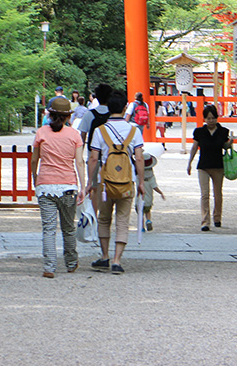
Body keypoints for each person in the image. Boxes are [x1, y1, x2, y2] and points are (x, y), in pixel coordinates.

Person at [85, 90, 146, 275]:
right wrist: (141, 181)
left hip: (105, 184)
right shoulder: (134, 130)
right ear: (125, 107)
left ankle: (104, 256)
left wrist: (89, 182)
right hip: (127, 182)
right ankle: (117, 260)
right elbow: (140, 157)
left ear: (108, 108)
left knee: (104, 219)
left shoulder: (99, 131)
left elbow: (93, 159)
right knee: (122, 220)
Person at [31, 97, 86, 278]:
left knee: (48, 228)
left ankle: (49, 266)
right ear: (67, 116)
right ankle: (71, 262)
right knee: (68, 227)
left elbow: (34, 160)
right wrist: (83, 186)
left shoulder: (41, 133)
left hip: (45, 184)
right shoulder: (74, 135)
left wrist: (35, 178)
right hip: (68, 185)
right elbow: (79, 162)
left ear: (50, 113)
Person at [186, 104, 233, 232]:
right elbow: (194, 147)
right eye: (208, 118)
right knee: (204, 194)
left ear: (217, 118)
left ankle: (217, 217)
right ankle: (205, 221)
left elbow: (225, 147)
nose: (211, 121)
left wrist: (230, 143)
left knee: (217, 194)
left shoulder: (223, 131)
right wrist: (189, 162)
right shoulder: (199, 132)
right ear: (204, 119)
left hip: (218, 166)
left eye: (213, 118)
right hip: (203, 166)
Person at [141, 150, 165, 232]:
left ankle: (142, 227)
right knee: (148, 211)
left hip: (140, 198)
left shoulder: (138, 176)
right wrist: (161, 193)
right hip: (149, 198)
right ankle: (148, 220)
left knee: (140, 213)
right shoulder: (151, 177)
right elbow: (154, 186)